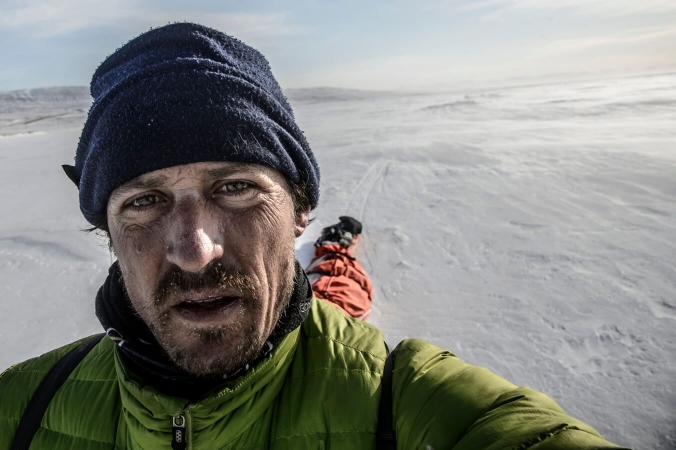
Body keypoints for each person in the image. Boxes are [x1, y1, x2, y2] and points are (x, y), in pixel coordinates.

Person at [0, 23, 627, 449]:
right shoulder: (21, 408)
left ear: (299, 210)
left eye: (237, 188)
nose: (194, 250)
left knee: (338, 284)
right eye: (143, 201)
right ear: (108, 234)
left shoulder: (398, 403)